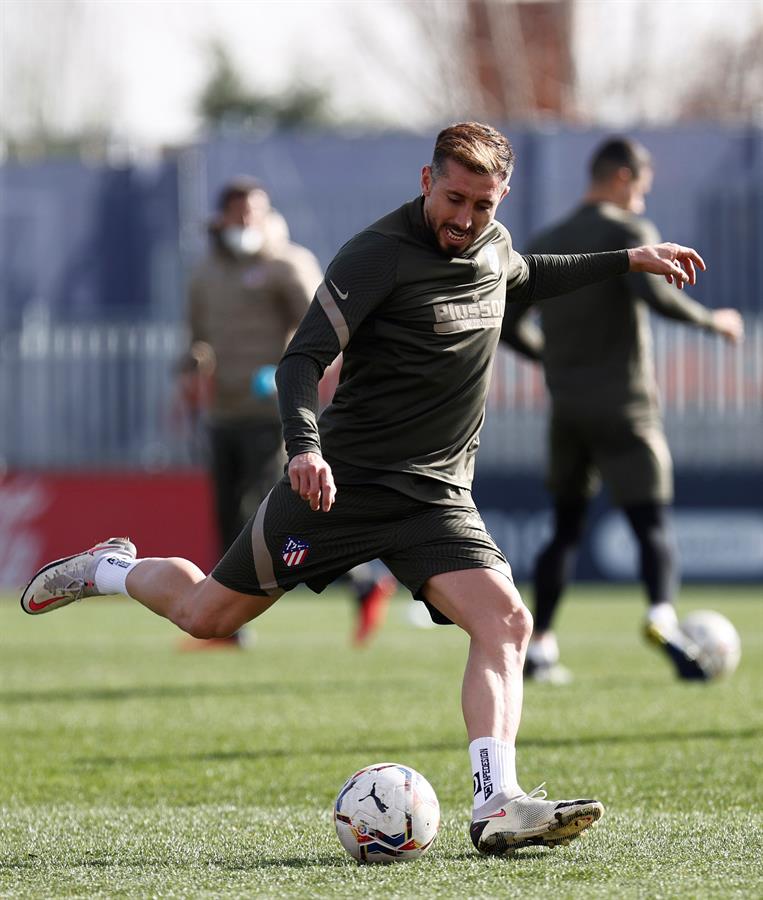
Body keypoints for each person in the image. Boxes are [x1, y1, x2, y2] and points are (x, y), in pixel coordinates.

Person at [21, 123, 708, 855]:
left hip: (436, 497)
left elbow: (529, 273)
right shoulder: (378, 254)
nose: (465, 219)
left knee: (507, 622)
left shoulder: (493, 245)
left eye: (482, 204)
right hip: (338, 487)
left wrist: (629, 260)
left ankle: (497, 800)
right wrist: (305, 450)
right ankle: (108, 568)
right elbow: (299, 362)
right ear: (424, 180)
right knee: (206, 617)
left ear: (500, 197)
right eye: (453, 198)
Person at [500, 137, 744, 684]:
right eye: (641, 191)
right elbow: (658, 296)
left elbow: (510, 326)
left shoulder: (548, 241)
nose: (641, 204)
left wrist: (556, 361)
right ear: (622, 178)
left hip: (567, 408)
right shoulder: (629, 233)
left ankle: (540, 647)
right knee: (651, 522)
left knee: (563, 530)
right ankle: (661, 615)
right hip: (626, 404)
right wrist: (715, 322)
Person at [177, 176, 394, 647]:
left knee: (260, 516)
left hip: (272, 412)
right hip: (223, 410)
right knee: (229, 515)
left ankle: (229, 623)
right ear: (221, 217)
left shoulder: (286, 264)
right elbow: (195, 337)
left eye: (252, 213)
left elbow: (328, 330)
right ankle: (358, 582)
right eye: (237, 214)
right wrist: (188, 371)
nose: (245, 223)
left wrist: (304, 383)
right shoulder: (205, 272)